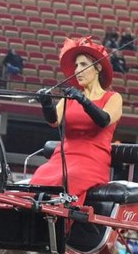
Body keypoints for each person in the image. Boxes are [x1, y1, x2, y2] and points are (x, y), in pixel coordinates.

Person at [32, 36, 122, 208]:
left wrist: (84, 100)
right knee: (40, 176)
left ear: (97, 67)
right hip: (64, 157)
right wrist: (46, 103)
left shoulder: (113, 98)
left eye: (82, 65)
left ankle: (59, 223)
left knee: (69, 178)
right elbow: (53, 121)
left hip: (92, 160)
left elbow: (104, 120)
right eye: (76, 66)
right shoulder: (70, 98)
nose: (77, 70)